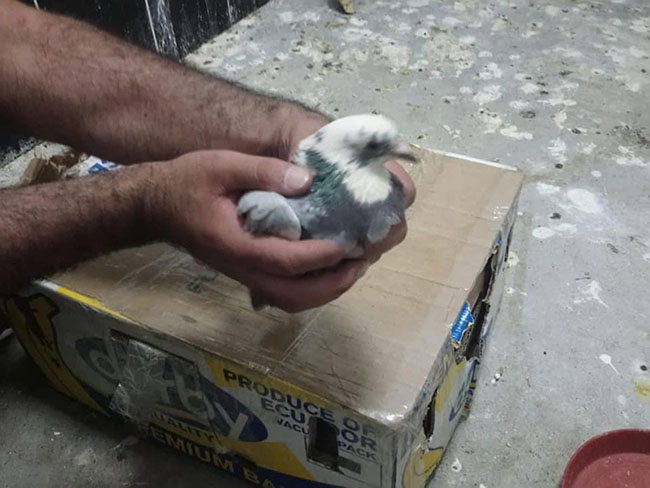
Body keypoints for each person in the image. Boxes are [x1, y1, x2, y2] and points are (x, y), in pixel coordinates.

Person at [0, 0, 415, 314]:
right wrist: (148, 204)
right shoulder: (285, 212)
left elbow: (14, 42)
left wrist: (278, 127)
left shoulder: (381, 189)